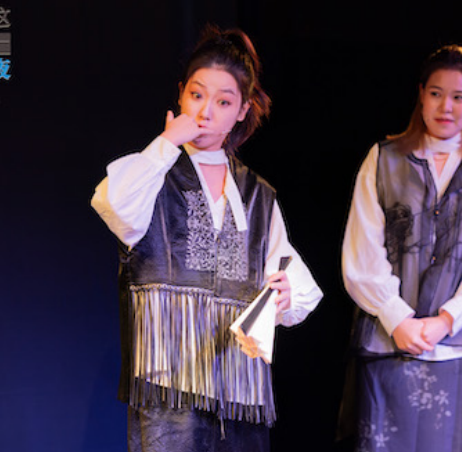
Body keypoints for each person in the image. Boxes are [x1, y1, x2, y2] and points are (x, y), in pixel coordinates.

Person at [91, 25, 323, 452]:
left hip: (239, 387)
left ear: (242, 110)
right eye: (197, 95)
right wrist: (166, 142)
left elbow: (293, 278)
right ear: (180, 94)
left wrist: (286, 295)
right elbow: (114, 205)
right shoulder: (154, 174)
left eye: (223, 101)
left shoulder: (256, 194)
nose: (206, 112)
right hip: (169, 383)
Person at [340, 45, 462, 451]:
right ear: (421, 94)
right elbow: (362, 250)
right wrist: (397, 317)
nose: (445, 107)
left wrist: (447, 319)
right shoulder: (383, 159)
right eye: (436, 93)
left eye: (458, 96)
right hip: (388, 341)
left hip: (459, 346)